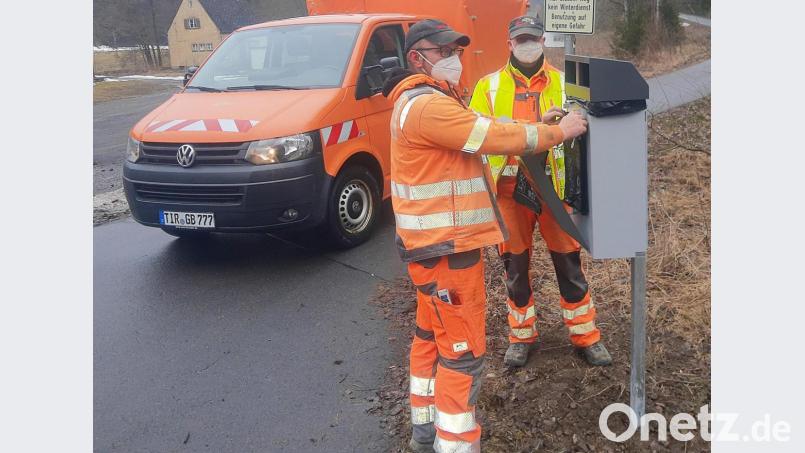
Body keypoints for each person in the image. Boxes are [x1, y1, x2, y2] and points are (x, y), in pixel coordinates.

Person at [382, 19, 588, 453]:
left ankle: (425, 428)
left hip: (430, 250)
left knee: (428, 339)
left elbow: (486, 123)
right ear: (418, 58)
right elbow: (490, 135)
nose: (455, 59)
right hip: (446, 252)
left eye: (457, 50)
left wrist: (540, 120)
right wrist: (558, 131)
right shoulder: (427, 107)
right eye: (445, 52)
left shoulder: (428, 100)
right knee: (462, 354)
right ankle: (456, 444)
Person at [468, 15, 613, 368]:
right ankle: (521, 337)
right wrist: (537, 127)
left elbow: (583, 128)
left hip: (554, 190)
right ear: (510, 44)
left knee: (569, 263)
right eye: (521, 39)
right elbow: (479, 134)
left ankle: (585, 335)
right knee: (515, 267)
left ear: (543, 41)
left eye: (532, 38)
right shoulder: (487, 88)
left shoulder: (564, 85)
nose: (527, 44)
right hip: (509, 190)